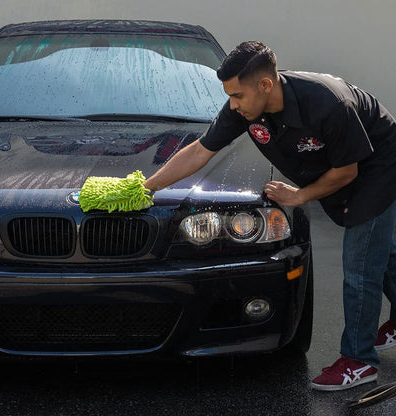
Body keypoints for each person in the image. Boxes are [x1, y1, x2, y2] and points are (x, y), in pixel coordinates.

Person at [144, 41, 396, 391]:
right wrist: (146, 188)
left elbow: (347, 172)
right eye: (228, 95)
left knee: (361, 262)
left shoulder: (328, 104)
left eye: (237, 95)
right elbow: (201, 150)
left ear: (265, 85)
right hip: (340, 165)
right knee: (383, 250)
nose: (232, 104)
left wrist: (299, 196)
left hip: (378, 163)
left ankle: (358, 360)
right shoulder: (244, 108)